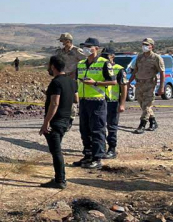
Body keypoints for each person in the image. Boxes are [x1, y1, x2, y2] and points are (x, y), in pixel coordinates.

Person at [74, 37, 113, 170]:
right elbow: (76, 81)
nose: (86, 49)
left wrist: (95, 83)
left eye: (89, 46)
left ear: (97, 48)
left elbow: (113, 82)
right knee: (84, 129)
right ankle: (88, 155)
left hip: (98, 101)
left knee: (97, 129)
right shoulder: (81, 64)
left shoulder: (104, 63)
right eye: (85, 46)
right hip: (84, 100)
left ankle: (97, 158)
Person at [39, 54, 75, 189]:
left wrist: (46, 122)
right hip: (66, 120)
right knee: (56, 150)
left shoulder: (56, 82)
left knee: (56, 152)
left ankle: (60, 180)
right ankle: (59, 178)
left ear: (53, 67)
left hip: (56, 121)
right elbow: (76, 99)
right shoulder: (71, 82)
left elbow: (54, 103)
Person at [129, 38, 165, 134]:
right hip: (139, 83)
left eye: (146, 44)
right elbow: (135, 70)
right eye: (143, 44)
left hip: (150, 84)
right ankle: (153, 121)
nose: (144, 46)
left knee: (147, 105)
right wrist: (128, 82)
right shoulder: (139, 57)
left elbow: (162, 72)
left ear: (151, 46)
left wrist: (161, 87)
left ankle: (142, 125)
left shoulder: (156, 58)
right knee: (142, 104)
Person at [102, 49, 127, 159]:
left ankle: (112, 148)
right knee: (99, 126)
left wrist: (122, 104)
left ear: (112, 57)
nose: (104, 58)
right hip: (101, 101)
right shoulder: (100, 68)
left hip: (113, 101)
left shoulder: (119, 69)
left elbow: (124, 87)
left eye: (106, 56)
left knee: (111, 126)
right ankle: (100, 147)